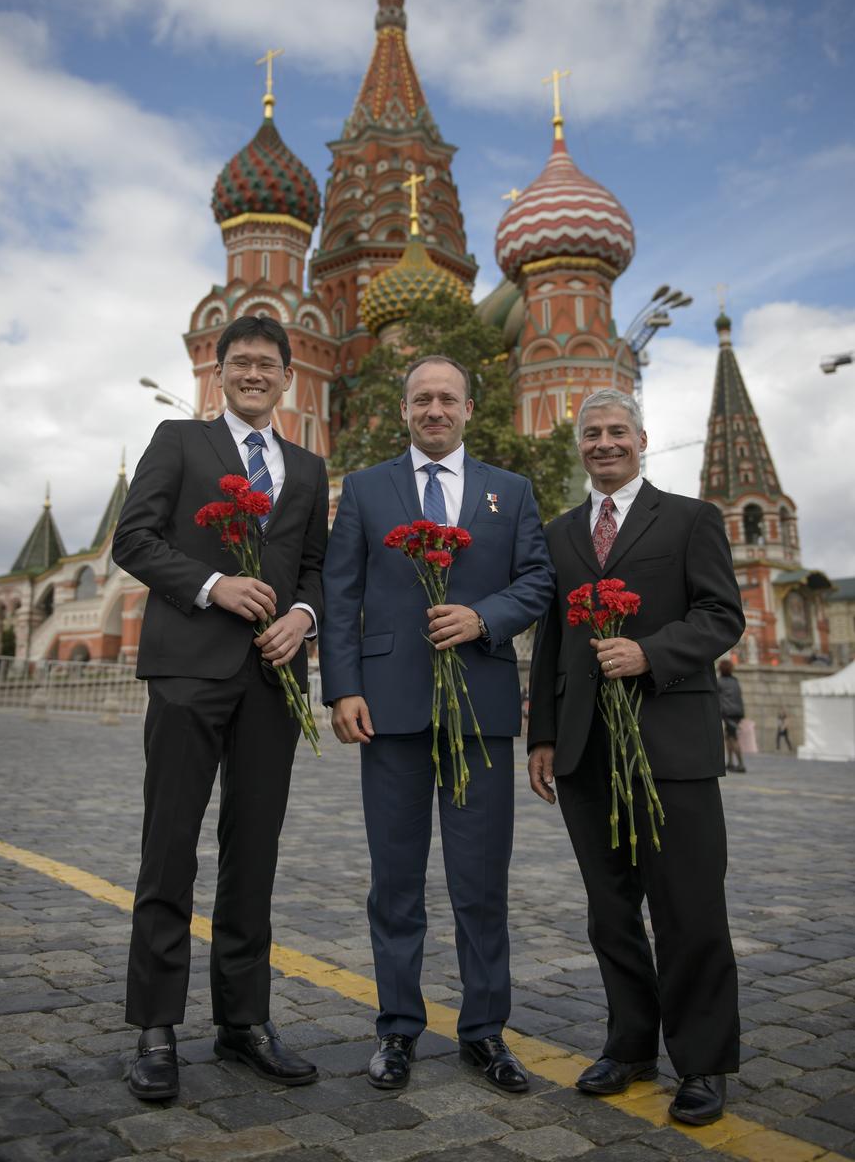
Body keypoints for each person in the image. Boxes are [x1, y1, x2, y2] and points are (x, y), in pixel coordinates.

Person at [321, 355, 554, 1093]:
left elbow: (538, 580)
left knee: (480, 884)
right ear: (404, 412)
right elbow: (339, 595)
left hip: (480, 711)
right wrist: (342, 690)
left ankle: (485, 1031)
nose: (434, 409)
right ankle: (396, 1031)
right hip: (387, 712)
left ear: (467, 410)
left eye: (446, 398)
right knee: (395, 884)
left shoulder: (509, 492)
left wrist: (484, 617)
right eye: (421, 399)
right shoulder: (363, 488)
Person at [112, 316, 329, 1101]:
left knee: (254, 854)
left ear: (287, 377)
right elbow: (131, 541)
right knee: (168, 844)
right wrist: (215, 587)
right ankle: (157, 1025)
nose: (254, 374)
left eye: (268, 365)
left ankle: (244, 1021)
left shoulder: (306, 468)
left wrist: (302, 620)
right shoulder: (178, 440)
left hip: (273, 681)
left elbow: (314, 569)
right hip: (188, 672)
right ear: (219, 371)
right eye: (240, 363)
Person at [527, 388, 745, 1127]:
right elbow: (554, 642)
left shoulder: (690, 519)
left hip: (671, 746)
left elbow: (721, 615)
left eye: (618, 431)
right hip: (587, 749)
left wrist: (648, 653)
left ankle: (705, 1063)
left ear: (643, 438)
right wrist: (545, 736)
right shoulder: (560, 534)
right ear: (580, 446)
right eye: (592, 434)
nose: (605, 444)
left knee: (690, 909)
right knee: (611, 912)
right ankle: (629, 1046)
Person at [718, 659, 746, 772]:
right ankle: (730, 762)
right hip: (738, 712)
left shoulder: (719, 682)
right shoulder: (735, 681)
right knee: (728, 736)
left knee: (733, 737)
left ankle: (741, 764)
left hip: (728, 713)